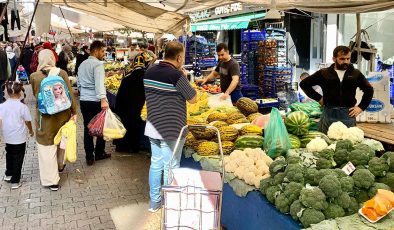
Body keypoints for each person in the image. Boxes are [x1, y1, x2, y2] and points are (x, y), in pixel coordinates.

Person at [144, 41, 197, 212]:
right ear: (179, 57)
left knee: (156, 164)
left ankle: (154, 203)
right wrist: (184, 77)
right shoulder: (176, 76)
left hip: (153, 126)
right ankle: (171, 204)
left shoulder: (149, 71)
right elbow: (193, 98)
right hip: (171, 130)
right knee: (171, 166)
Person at [30, 49, 77, 191]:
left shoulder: (34, 76)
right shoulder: (61, 73)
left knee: (47, 146)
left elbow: (35, 95)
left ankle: (52, 181)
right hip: (62, 115)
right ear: (52, 58)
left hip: (45, 117)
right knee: (61, 139)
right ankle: (60, 165)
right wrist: (74, 112)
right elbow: (69, 94)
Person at [300, 46, 374, 134]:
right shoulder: (324, 73)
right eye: (342, 59)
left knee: (347, 144)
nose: (346, 61)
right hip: (328, 114)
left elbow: (369, 90)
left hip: (348, 115)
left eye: (348, 58)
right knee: (325, 143)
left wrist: (361, 107)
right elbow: (304, 84)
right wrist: (319, 98)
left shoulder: (355, 74)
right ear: (334, 59)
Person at [77, 40, 110, 166]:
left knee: (88, 128)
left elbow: (79, 83)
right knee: (101, 127)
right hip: (96, 100)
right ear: (95, 51)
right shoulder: (98, 65)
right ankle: (99, 153)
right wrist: (103, 99)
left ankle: (89, 157)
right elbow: (99, 84)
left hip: (84, 100)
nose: (103, 54)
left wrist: (82, 93)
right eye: (102, 51)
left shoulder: (82, 64)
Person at [114, 53, 152, 153]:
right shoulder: (148, 79)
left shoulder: (126, 78)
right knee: (138, 127)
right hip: (142, 110)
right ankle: (138, 146)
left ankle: (125, 146)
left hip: (127, 110)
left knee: (127, 126)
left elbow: (119, 97)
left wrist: (118, 110)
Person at [0, 81, 34, 189]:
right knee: (18, 158)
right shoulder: (22, 107)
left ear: (8, 92)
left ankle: (8, 174)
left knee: (9, 154)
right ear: (20, 93)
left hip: (7, 136)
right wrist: (31, 131)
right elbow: (28, 121)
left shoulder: (2, 106)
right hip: (19, 137)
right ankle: (15, 180)